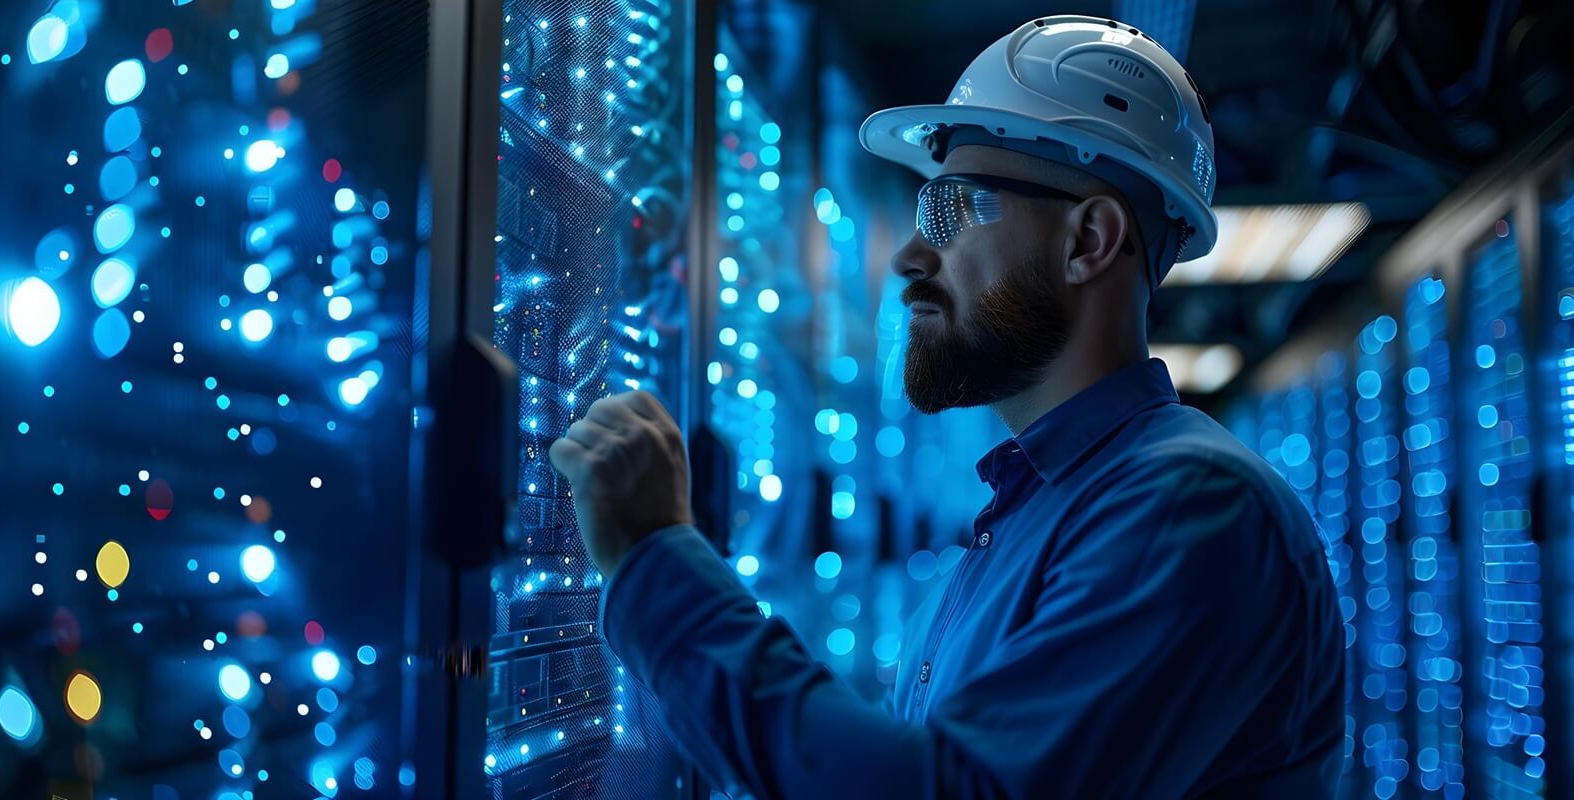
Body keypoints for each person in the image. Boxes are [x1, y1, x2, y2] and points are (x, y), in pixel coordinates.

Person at [548, 15, 1345, 799]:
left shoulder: (1187, 505)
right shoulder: (1038, 507)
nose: (909, 254)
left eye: (950, 210)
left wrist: (656, 559)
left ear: (1089, 240)